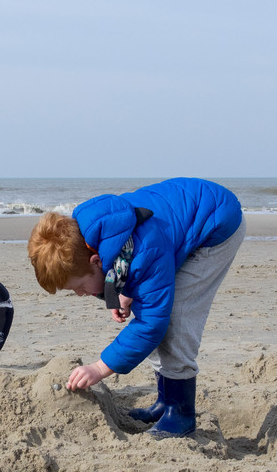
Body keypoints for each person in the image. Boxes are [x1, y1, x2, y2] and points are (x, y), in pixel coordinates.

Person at [27, 177, 245, 438]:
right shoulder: (89, 237)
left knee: (173, 319)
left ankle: (181, 412)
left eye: (79, 286)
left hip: (216, 225)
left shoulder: (143, 253)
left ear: (97, 261)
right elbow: (125, 272)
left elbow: (152, 323)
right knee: (150, 308)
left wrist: (99, 368)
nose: (80, 294)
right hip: (174, 227)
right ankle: (164, 402)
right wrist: (119, 293)